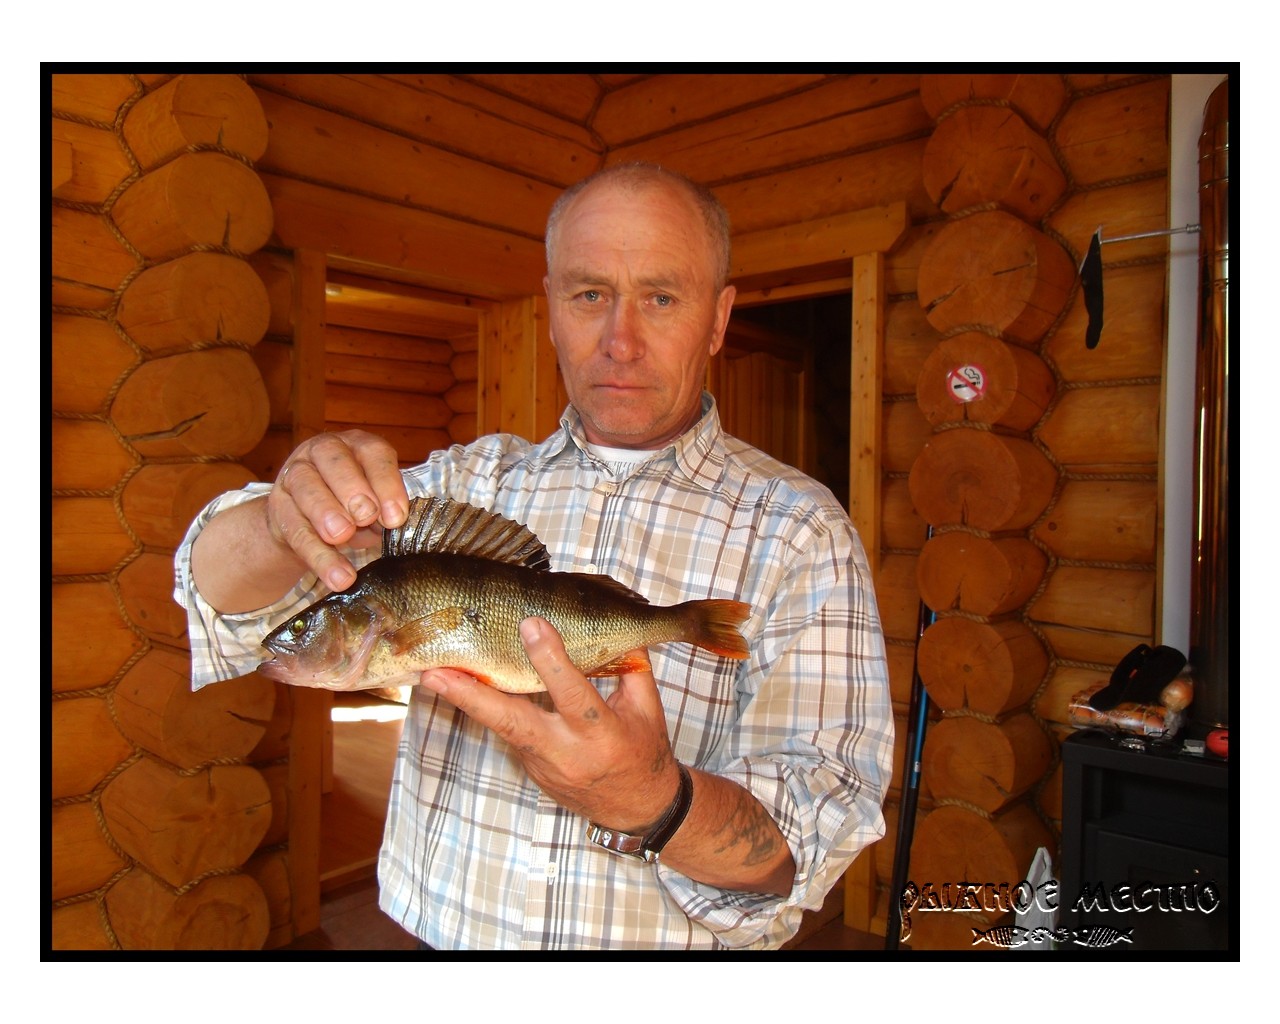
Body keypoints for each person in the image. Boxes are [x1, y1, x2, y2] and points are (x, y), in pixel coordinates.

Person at [174, 162, 893, 950]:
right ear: (550, 307)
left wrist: (656, 803)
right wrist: (277, 521)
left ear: (718, 320)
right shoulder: (456, 488)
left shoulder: (803, 533)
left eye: (661, 297)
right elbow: (227, 609)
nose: (620, 342)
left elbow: (820, 829)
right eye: (589, 295)